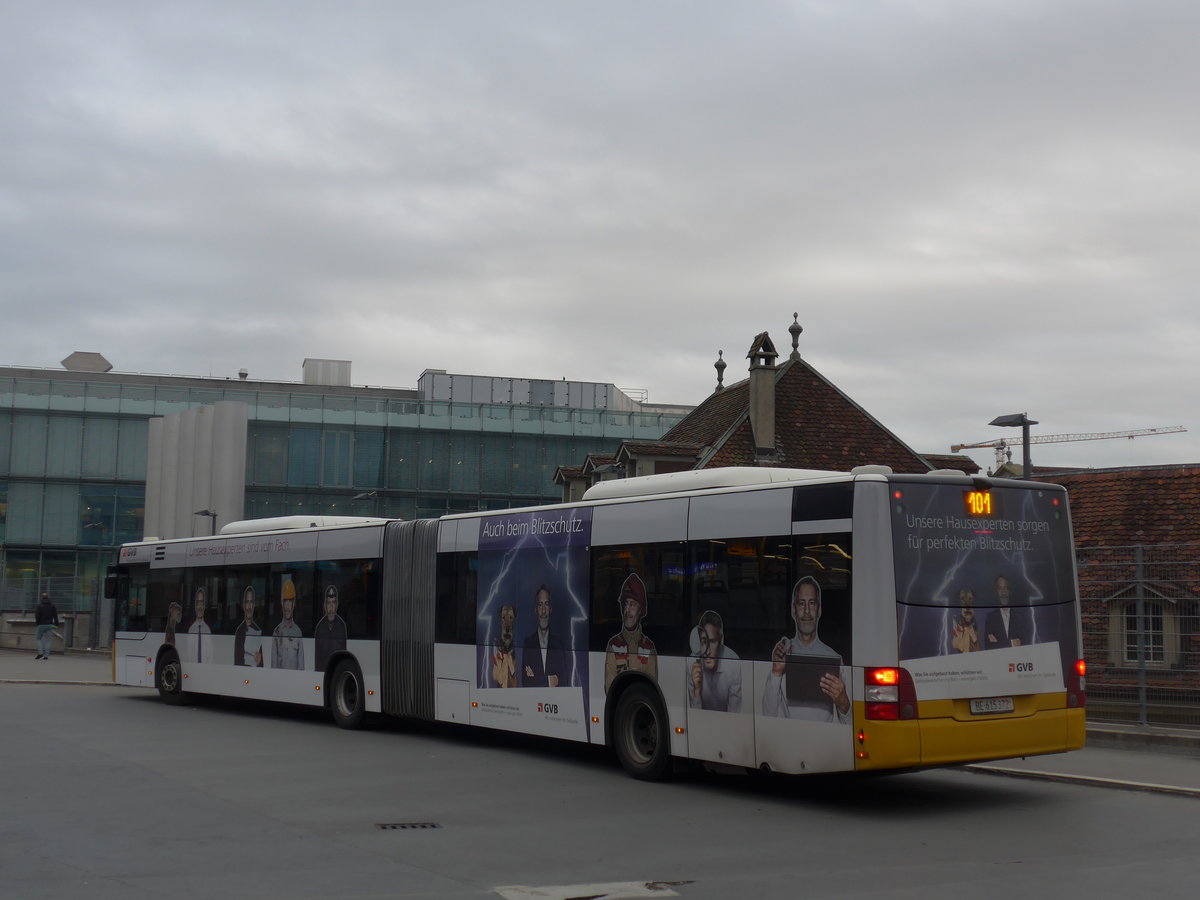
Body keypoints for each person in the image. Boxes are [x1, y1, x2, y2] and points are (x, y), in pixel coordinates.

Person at [762, 576, 849, 722]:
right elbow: (767, 715)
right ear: (793, 610)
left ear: (819, 610)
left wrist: (843, 702)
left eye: (812, 603)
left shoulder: (834, 658)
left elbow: (848, 723)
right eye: (801, 603)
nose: (807, 611)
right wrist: (776, 672)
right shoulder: (781, 655)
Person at [603, 573, 657, 693]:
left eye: (632, 605)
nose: (627, 610)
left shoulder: (649, 648)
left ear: (640, 610)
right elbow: (609, 689)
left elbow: (652, 690)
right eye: (625, 604)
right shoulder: (613, 645)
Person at [686, 610, 742, 712]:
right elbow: (695, 715)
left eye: (712, 641)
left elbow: (734, 712)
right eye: (703, 642)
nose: (707, 652)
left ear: (721, 641)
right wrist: (696, 690)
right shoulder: (692, 663)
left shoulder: (733, 662)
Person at [522, 585, 570, 687]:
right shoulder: (528, 644)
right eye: (540, 605)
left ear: (551, 609)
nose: (543, 611)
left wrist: (536, 679)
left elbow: (563, 682)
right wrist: (549, 681)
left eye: (546, 604)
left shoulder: (559, 645)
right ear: (535, 610)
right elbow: (526, 683)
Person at [985, 575, 1032, 649]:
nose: (1003, 592)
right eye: (1000, 588)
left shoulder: (1020, 618)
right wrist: (1013, 643)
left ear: (1010, 591)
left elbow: (1026, 644)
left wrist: (999, 643)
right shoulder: (990, 619)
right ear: (996, 592)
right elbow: (989, 647)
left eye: (1005, 588)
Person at [271, 580, 305, 670]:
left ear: (294, 604)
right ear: (282, 603)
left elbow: (301, 667)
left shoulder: (298, 632)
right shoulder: (276, 632)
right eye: (285, 601)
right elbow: (273, 666)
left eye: (290, 601)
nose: (287, 606)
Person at [313, 585, 347, 671]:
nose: (331, 607)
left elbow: (344, 656)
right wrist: (318, 678)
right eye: (328, 603)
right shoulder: (319, 627)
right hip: (323, 673)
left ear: (337, 605)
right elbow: (317, 659)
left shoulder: (342, 626)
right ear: (325, 606)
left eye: (333, 602)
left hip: (337, 672)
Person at [233, 586, 263, 667]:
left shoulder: (258, 631)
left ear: (254, 605)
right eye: (247, 602)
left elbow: (261, 666)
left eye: (251, 602)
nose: (249, 606)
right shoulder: (239, 631)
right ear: (243, 605)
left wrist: (259, 661)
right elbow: (236, 662)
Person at [491, 604, 518, 687]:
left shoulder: (514, 649)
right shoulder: (496, 646)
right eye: (504, 618)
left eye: (511, 618)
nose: (507, 624)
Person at [950, 588, 981, 653]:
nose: (967, 604)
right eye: (962, 599)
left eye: (970, 598)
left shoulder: (979, 620)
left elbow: (978, 647)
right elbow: (955, 645)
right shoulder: (955, 620)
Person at [186, 587, 212, 664]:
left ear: (204, 607)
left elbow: (210, 654)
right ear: (195, 607)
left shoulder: (207, 630)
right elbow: (189, 654)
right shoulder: (191, 630)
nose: (200, 607)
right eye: (198, 603)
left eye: (202, 604)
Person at [34, 591, 60, 660]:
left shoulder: (39, 605)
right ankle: (46, 656)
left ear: (41, 598)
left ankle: (40, 652)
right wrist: (57, 624)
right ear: (48, 597)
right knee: (48, 640)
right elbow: (55, 615)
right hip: (49, 624)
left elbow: (37, 615)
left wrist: (37, 623)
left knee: (38, 638)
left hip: (41, 624)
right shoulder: (52, 605)